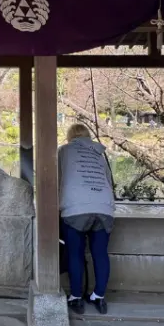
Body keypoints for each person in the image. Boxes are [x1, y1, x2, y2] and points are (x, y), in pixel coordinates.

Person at [58, 123, 115, 315]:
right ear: (88, 136)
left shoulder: (64, 151)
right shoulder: (99, 153)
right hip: (104, 207)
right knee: (100, 252)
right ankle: (98, 296)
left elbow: (57, 179)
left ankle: (76, 297)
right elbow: (108, 180)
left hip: (76, 207)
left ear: (70, 136)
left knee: (75, 252)